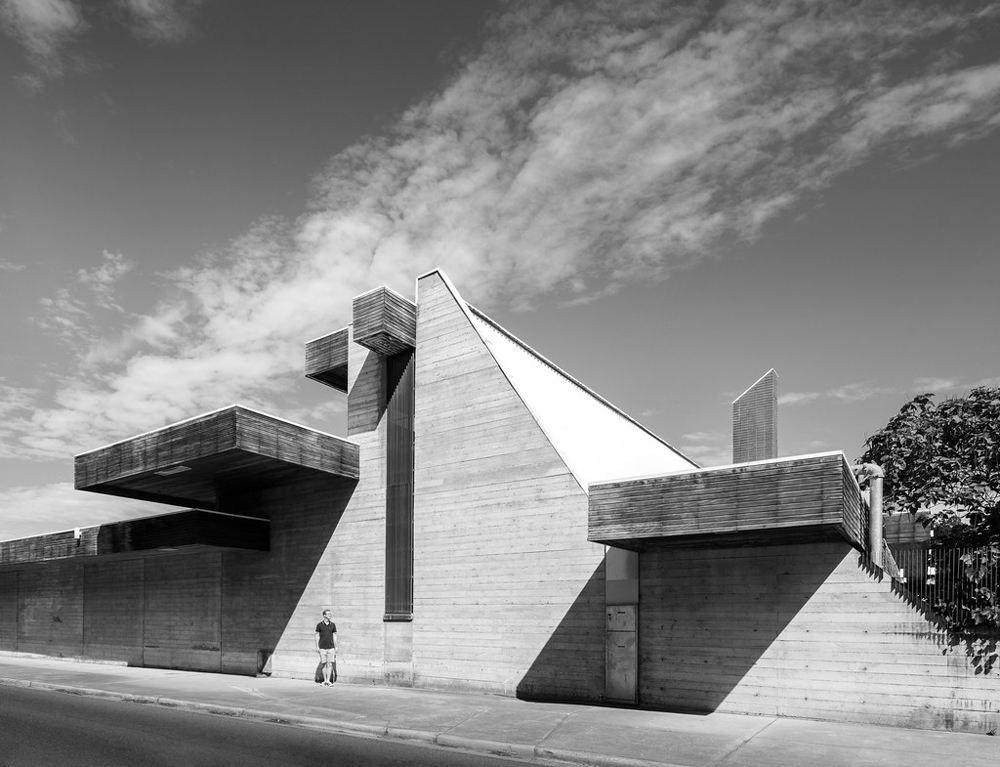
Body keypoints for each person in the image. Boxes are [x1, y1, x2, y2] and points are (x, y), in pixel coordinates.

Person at [315, 609, 338, 686]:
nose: (330, 616)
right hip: (322, 647)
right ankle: (325, 680)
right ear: (324, 615)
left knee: (330, 664)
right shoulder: (319, 625)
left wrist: (336, 646)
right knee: (324, 664)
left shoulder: (333, 625)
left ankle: (328, 681)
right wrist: (317, 646)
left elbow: (334, 636)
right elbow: (317, 636)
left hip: (331, 647)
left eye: (330, 614)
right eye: (328, 614)